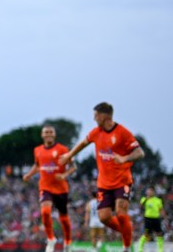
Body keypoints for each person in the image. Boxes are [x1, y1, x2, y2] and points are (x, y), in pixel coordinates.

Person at [59, 102, 144, 252]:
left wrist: (124, 158)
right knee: (104, 217)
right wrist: (69, 155)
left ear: (105, 116)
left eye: (96, 115)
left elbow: (139, 153)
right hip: (104, 183)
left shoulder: (122, 132)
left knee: (121, 212)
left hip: (122, 181)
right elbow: (83, 143)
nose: (94, 118)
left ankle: (126, 247)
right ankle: (127, 232)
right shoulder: (96, 132)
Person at [22, 125, 76, 252]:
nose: (48, 134)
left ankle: (68, 241)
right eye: (46, 132)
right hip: (45, 187)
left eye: (51, 132)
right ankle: (51, 239)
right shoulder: (37, 150)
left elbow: (73, 166)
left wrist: (64, 175)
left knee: (64, 218)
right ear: (42, 135)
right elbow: (37, 165)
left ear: (54, 134)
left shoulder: (62, 149)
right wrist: (29, 174)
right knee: (45, 212)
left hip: (61, 188)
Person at [137, 187, 165, 252]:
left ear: (153, 192)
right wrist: (144, 201)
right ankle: (140, 248)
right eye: (148, 191)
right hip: (148, 219)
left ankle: (160, 249)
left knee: (159, 233)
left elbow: (161, 209)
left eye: (150, 191)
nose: (149, 192)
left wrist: (163, 216)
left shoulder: (158, 200)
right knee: (146, 233)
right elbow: (140, 207)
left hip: (156, 218)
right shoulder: (144, 199)